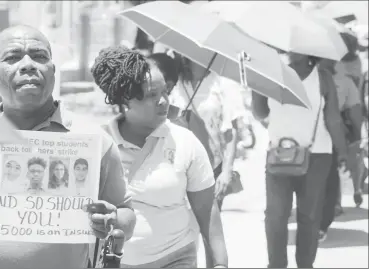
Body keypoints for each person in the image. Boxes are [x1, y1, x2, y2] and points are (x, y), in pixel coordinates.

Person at [0, 25, 136, 268]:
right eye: (12, 58)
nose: (27, 65)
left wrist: (112, 220)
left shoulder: (93, 141)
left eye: (39, 56)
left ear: (53, 71)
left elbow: (126, 218)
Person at [91, 46, 228, 268]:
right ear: (126, 101)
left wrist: (220, 264)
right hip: (114, 262)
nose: (163, 100)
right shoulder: (98, 144)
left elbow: (207, 211)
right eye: (152, 95)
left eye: (165, 91)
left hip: (176, 258)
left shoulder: (185, 142)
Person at [251, 50, 349, 268]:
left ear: (309, 51)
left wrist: (343, 152)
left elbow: (333, 118)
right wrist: (255, 88)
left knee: (309, 217)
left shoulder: (322, 78)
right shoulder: (271, 74)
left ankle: (305, 265)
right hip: (279, 153)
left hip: (317, 156)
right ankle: (276, 265)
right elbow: (259, 112)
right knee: (275, 216)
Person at [169, 54, 245, 209]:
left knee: (209, 225)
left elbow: (231, 131)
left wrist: (226, 171)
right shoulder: (176, 83)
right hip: (180, 167)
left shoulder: (223, 83)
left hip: (212, 167)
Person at [318, 58, 364, 242]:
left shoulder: (292, 75)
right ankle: (325, 217)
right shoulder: (344, 80)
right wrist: (354, 138)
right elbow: (354, 112)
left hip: (301, 140)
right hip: (330, 139)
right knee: (330, 178)